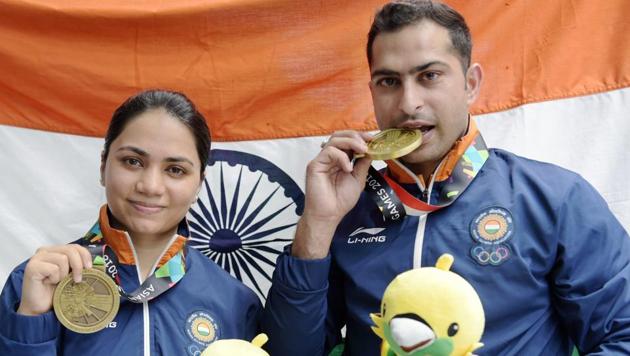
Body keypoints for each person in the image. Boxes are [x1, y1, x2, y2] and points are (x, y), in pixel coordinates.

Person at [261, 1, 630, 355]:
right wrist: (317, 226)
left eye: (429, 76)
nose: (409, 103)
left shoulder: (555, 199)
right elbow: (285, 352)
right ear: (372, 93)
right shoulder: (346, 211)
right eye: (389, 81)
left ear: (471, 83)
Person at [0, 90, 261, 355]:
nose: (150, 186)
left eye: (175, 170)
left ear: (198, 184)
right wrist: (31, 320)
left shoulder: (234, 302)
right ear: (103, 166)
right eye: (133, 161)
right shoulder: (36, 282)